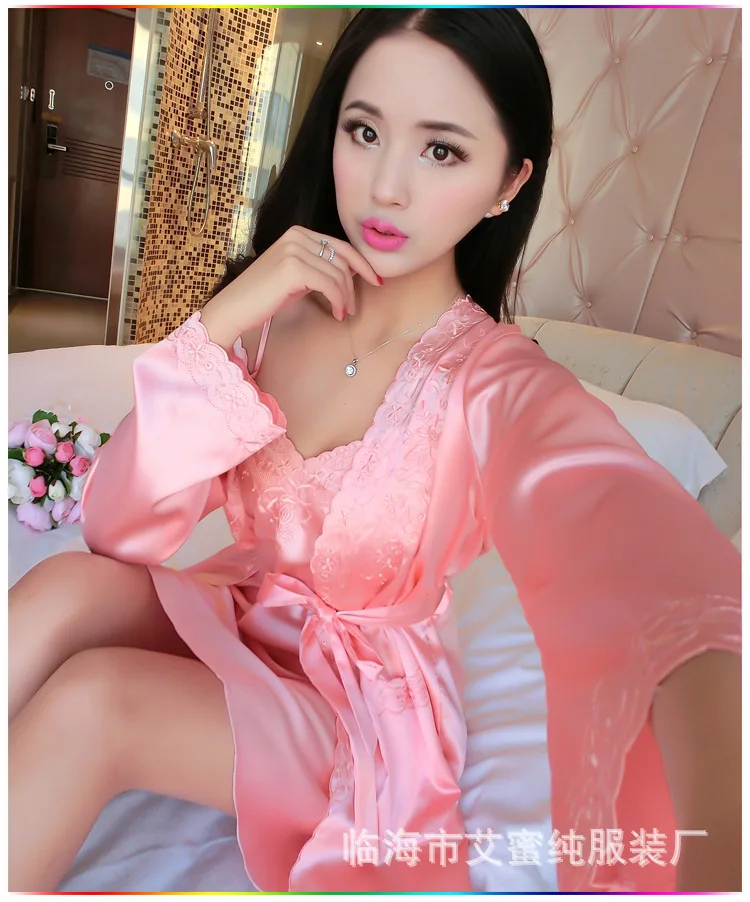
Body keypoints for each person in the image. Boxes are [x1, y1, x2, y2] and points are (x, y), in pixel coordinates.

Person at [9, 8, 741, 894]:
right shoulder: (279, 315)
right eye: (364, 132)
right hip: (245, 618)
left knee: (94, 703)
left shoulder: (498, 381)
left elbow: (647, 558)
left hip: (361, 708)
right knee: (65, 585)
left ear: (508, 182)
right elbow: (118, 530)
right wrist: (227, 314)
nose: (386, 187)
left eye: (441, 150)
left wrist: (719, 825)